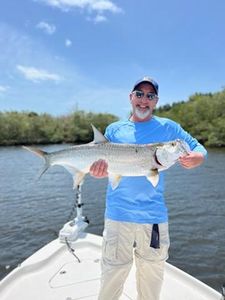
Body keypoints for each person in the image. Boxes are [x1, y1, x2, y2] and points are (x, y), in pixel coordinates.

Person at [89, 76, 207, 300]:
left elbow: (196, 146)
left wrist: (198, 157)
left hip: (153, 217)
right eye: (140, 94)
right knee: (112, 275)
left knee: (151, 279)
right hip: (117, 215)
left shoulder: (168, 127)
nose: (144, 100)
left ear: (156, 101)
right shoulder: (114, 129)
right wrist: (97, 172)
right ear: (131, 97)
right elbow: (105, 167)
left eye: (150, 96)